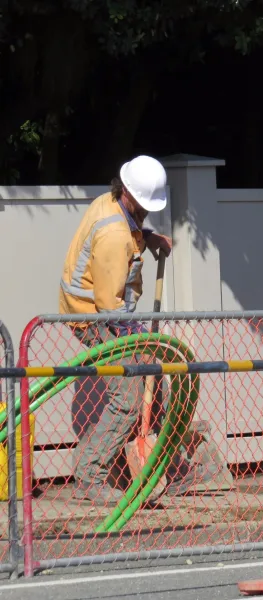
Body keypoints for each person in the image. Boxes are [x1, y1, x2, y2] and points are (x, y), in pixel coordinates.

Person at [59, 155, 210, 503]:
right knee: (127, 400)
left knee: (147, 375)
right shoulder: (113, 235)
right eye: (143, 207)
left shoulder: (111, 204)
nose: (145, 212)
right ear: (128, 192)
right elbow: (109, 306)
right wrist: (141, 334)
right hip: (92, 316)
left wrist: (148, 236)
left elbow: (128, 230)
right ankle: (91, 476)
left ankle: (137, 455)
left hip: (98, 310)